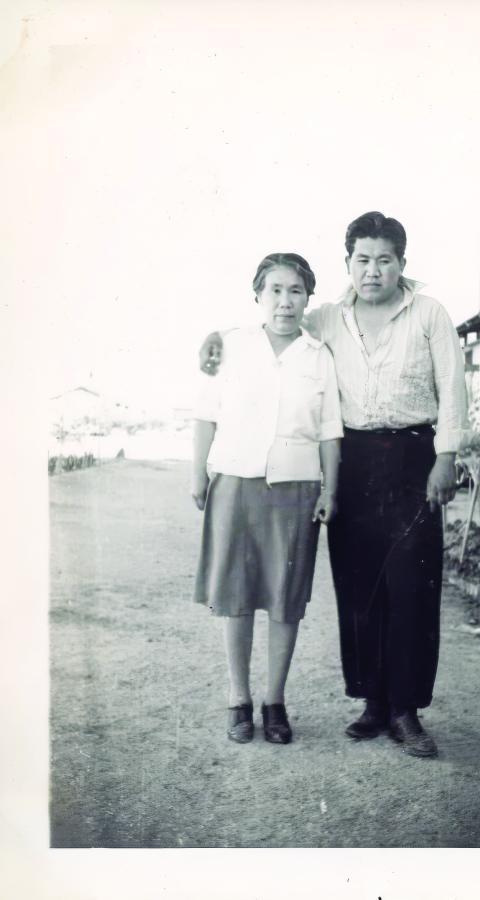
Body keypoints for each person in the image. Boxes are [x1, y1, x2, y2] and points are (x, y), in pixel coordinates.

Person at [198, 213, 468, 758]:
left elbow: (454, 389)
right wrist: (214, 340)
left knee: (411, 587)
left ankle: (406, 711)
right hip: (357, 460)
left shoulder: (430, 315)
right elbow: (275, 324)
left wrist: (447, 457)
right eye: (362, 260)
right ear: (348, 264)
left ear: (402, 264)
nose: (373, 271)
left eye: (384, 259)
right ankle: (372, 704)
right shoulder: (326, 318)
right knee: (359, 589)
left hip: (415, 456)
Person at [191, 252, 343, 746]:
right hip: (235, 483)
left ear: (307, 298)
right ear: (258, 295)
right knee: (235, 598)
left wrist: (330, 489)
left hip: (296, 489)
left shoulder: (319, 356)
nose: (285, 301)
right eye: (275, 290)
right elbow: (205, 414)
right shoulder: (230, 346)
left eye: (295, 290)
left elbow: (329, 433)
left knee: (285, 600)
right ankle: (239, 699)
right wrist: (199, 475)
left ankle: (274, 701)